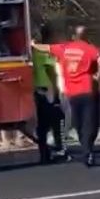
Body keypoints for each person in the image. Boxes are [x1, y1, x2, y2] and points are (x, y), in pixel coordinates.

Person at [32, 25, 100, 166]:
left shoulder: (63, 48)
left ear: (73, 36)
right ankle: (86, 151)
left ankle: (83, 149)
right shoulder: (90, 49)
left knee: (77, 123)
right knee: (88, 122)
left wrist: (33, 44)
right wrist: (98, 76)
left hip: (71, 92)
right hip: (85, 90)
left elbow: (47, 48)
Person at [31, 24, 64, 164]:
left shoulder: (33, 52)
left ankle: (44, 153)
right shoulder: (45, 53)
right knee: (55, 121)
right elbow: (52, 73)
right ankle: (58, 148)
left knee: (42, 126)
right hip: (46, 90)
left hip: (35, 90)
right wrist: (56, 94)